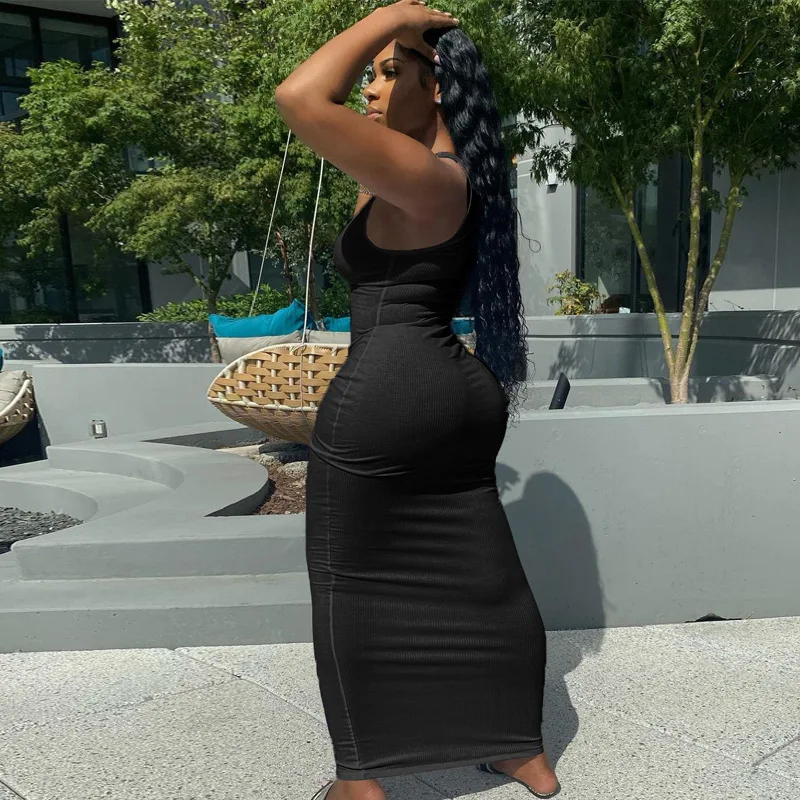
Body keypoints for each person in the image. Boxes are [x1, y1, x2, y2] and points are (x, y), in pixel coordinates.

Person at [275, 2, 559, 798]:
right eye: (370, 74)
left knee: (347, 584)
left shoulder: (425, 176)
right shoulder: (448, 172)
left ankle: (359, 778)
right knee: (485, 575)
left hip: (390, 390)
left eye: (389, 72)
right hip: (456, 390)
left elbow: (299, 97)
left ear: (436, 88)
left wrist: (389, 14)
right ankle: (521, 750)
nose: (369, 88)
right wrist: (396, 40)